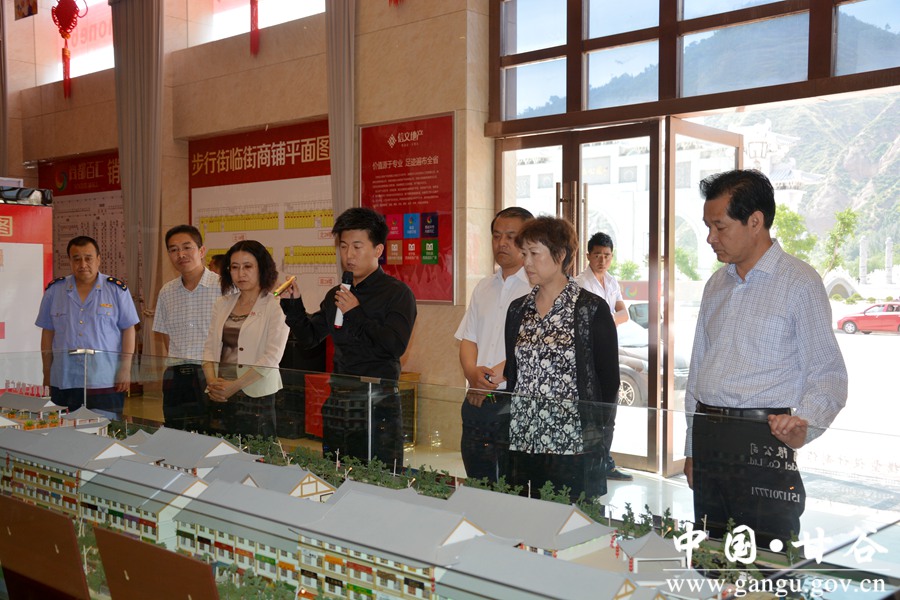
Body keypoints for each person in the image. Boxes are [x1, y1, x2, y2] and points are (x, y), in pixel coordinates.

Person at [683, 169, 848, 546]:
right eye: (708, 227)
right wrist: (692, 449)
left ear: (755, 221)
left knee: (766, 558)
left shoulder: (799, 282)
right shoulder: (716, 284)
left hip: (762, 438)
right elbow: (698, 373)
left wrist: (805, 423)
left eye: (720, 227)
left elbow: (828, 375)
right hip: (708, 436)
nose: (710, 238)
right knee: (712, 552)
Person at [280, 207, 417, 467]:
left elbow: (394, 346)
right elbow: (310, 338)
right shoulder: (337, 293)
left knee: (379, 477)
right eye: (343, 247)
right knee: (335, 472)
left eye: (357, 247)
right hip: (339, 402)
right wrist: (294, 305)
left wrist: (355, 313)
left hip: (378, 404)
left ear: (378, 250)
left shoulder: (398, 294)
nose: (348, 255)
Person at [503, 217, 620, 500]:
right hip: (524, 439)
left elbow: (609, 381)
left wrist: (599, 436)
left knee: (573, 518)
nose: (526, 262)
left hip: (573, 443)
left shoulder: (591, 309)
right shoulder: (518, 309)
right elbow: (514, 373)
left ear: (560, 255)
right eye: (524, 254)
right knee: (526, 516)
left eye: (534, 253)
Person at [455, 207, 533, 482]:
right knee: (478, 479)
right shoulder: (483, 287)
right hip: (477, 399)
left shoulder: (537, 288)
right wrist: (472, 375)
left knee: (514, 484)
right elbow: (468, 339)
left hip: (515, 401)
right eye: (497, 236)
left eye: (511, 236)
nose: (502, 243)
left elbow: (530, 348)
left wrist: (487, 380)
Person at [35, 236, 139, 417]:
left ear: (98, 259)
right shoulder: (54, 291)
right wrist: (47, 373)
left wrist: (125, 369)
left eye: (88, 258)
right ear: (70, 261)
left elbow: (129, 329)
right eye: (76, 259)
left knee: (104, 428)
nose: (83, 264)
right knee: (63, 428)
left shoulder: (116, 290)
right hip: (64, 378)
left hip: (104, 379)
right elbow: (48, 333)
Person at [202, 240, 289, 438]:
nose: (241, 273)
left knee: (256, 452)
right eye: (235, 267)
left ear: (262, 269)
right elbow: (209, 348)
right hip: (219, 391)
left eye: (248, 266)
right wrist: (213, 383)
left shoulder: (275, 305)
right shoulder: (222, 303)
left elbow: (272, 357)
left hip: (255, 394)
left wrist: (234, 387)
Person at [153, 225, 224, 431]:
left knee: (212, 434)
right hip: (176, 376)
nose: (180, 254)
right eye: (173, 250)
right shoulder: (167, 292)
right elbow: (166, 336)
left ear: (201, 251)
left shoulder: (224, 287)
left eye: (187, 247)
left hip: (211, 375)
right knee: (175, 432)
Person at [575, 232, 633, 482]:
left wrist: (605, 322)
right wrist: (609, 321)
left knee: (609, 411)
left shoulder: (611, 281)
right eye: (597, 254)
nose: (602, 259)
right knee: (590, 413)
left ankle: (605, 462)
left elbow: (625, 313)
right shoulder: (580, 283)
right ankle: (589, 464)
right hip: (588, 357)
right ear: (588, 255)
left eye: (607, 255)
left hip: (609, 354)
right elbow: (586, 323)